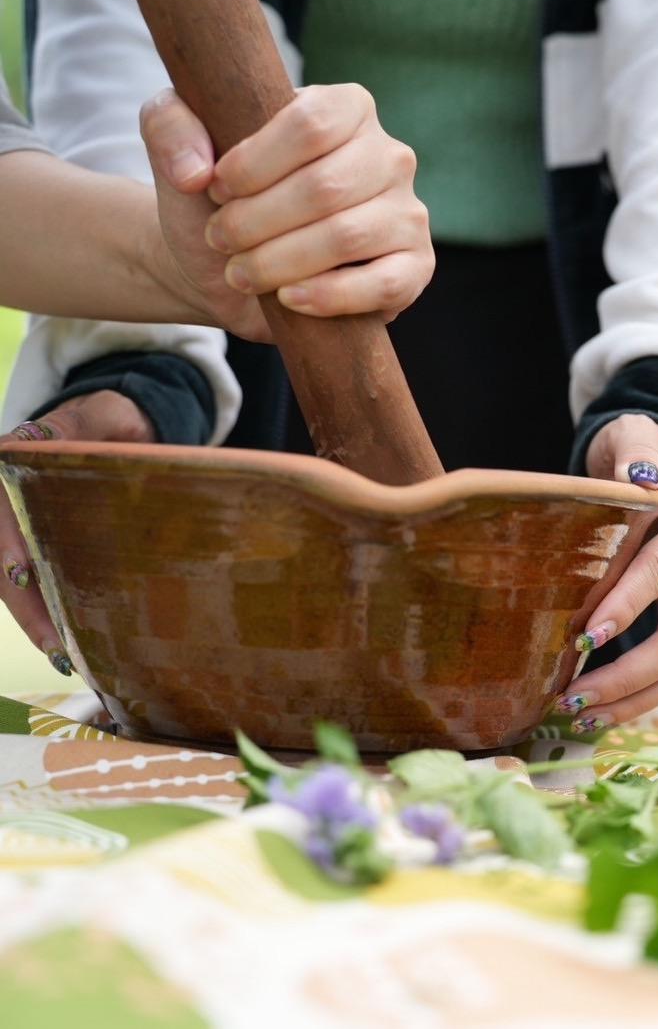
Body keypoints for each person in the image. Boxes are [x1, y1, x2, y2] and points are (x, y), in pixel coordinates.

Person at [7, 0, 658, 733]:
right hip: (262, 331)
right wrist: (135, 372)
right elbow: (130, 107)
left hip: (562, 311)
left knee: (552, 716)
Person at [0, 61, 433, 668]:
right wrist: (142, 359)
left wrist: (620, 383)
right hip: (264, 317)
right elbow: (110, 68)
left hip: (518, 304)